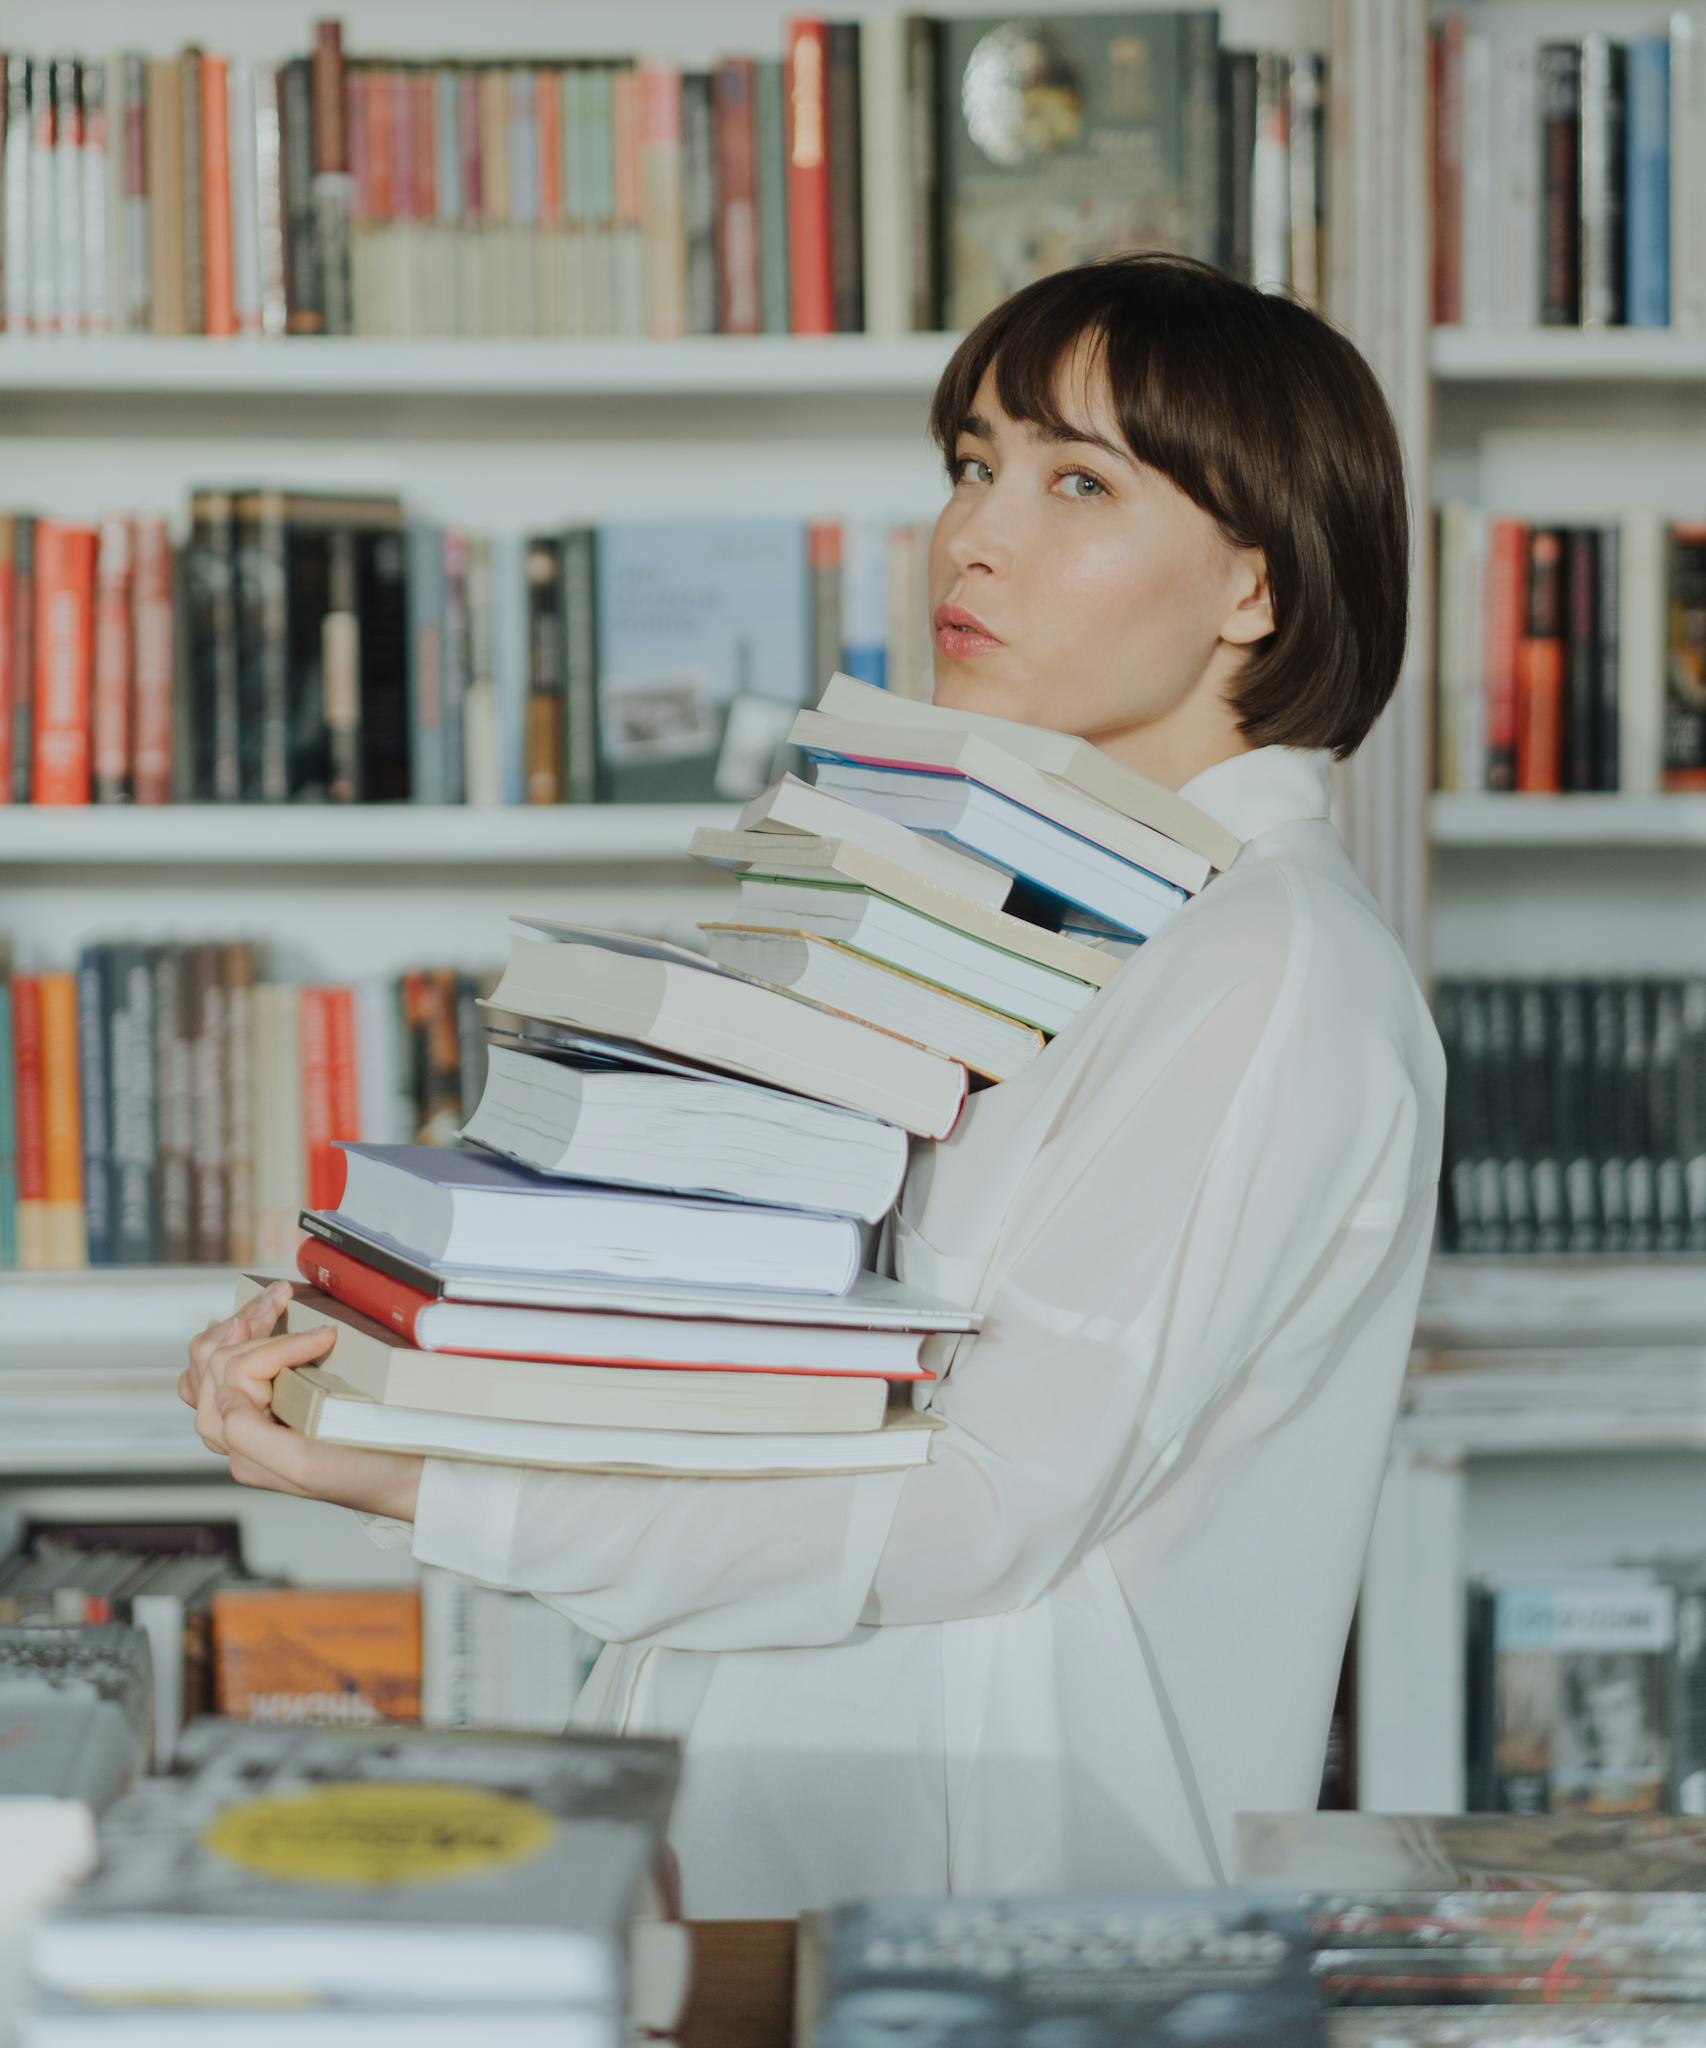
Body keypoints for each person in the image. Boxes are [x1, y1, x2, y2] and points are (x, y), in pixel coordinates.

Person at [180, 255, 1444, 1917]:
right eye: (974, 465)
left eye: (1078, 483)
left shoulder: (1274, 971)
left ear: (1253, 593)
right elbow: (796, 1382)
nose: (975, 535)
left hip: (990, 1909)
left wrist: (418, 1482)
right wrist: (390, 1373)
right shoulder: (1057, 917)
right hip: (776, 1844)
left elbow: (979, 1510)